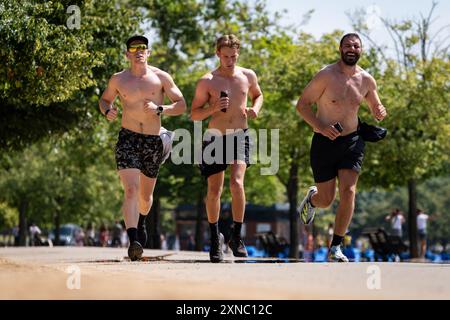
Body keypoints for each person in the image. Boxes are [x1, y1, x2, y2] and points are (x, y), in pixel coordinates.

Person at [296, 33, 387, 262]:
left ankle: (336, 247)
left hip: (352, 141)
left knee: (349, 191)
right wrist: (320, 126)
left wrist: (379, 111)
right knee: (327, 199)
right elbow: (302, 105)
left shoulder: (367, 80)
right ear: (340, 49)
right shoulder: (326, 75)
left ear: (360, 50)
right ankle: (313, 199)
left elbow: (375, 104)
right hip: (324, 142)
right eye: (347, 45)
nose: (351, 49)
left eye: (356, 46)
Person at [99, 35, 186, 260]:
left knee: (145, 197)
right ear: (127, 54)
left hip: (152, 140)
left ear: (148, 53)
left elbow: (181, 105)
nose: (139, 51)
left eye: (143, 48)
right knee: (130, 190)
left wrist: (160, 108)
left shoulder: (161, 77)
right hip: (128, 138)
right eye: (134, 47)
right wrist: (107, 110)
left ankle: (142, 221)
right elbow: (105, 99)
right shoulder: (118, 79)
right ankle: (133, 239)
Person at [191, 34, 263, 262]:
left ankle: (236, 235)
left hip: (240, 135)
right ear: (217, 54)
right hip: (215, 138)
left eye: (233, 56)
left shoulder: (248, 75)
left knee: (237, 183)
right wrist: (212, 108)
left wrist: (255, 109)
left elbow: (258, 95)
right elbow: (194, 113)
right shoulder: (207, 81)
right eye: (225, 56)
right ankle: (215, 238)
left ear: (237, 54)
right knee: (214, 191)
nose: (230, 60)